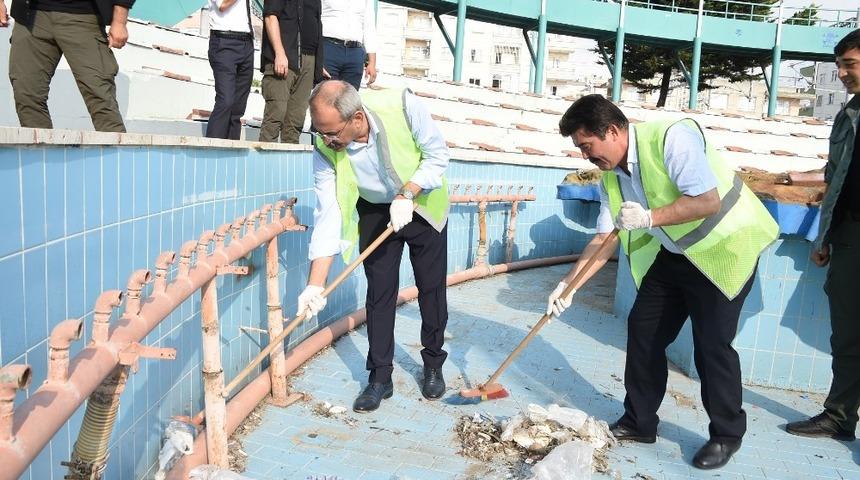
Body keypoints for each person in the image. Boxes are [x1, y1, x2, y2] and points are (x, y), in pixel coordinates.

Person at [549, 94, 777, 469]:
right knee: (643, 330)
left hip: (724, 250)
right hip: (677, 255)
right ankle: (640, 421)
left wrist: (650, 218)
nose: (586, 157)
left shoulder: (671, 138)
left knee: (712, 346)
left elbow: (707, 201)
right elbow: (603, 240)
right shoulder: (612, 177)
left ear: (612, 130)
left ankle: (725, 435)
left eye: (587, 146)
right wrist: (567, 287)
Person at [298, 80, 449, 413]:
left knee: (431, 287)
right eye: (320, 133)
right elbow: (329, 213)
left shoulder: (402, 105)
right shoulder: (324, 148)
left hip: (422, 201)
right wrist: (315, 285)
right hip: (374, 209)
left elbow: (438, 156)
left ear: (357, 118)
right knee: (379, 294)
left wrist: (408, 193)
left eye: (331, 133)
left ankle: (434, 363)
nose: (326, 140)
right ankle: (380, 377)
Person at [786, 29, 860, 442]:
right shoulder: (847, 116)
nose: (842, 72)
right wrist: (824, 237)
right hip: (850, 236)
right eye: (841, 65)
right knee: (848, 332)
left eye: (849, 64)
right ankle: (840, 416)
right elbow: (835, 178)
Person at [1, 0, 132, 132]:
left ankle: (115, 151)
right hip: (30, 15)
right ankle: (41, 151)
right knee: (26, 93)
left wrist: (120, 21)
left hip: (83, 16)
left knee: (100, 95)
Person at [259, 0, 324, 143]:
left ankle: (287, 164)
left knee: (295, 123)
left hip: (308, 60)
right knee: (274, 119)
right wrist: (279, 52)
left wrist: (318, 63)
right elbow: (270, 16)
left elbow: (316, 24)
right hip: (284, 56)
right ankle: (265, 164)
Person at [205, 0, 254, 140]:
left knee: (238, 106)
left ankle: (231, 152)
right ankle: (212, 150)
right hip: (224, 40)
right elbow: (223, 5)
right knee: (226, 100)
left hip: (246, 41)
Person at [320, 0, 377, 90]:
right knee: (326, 96)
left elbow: (369, 27)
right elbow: (313, 18)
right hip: (329, 49)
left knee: (349, 100)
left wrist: (372, 62)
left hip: (355, 53)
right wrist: (317, 58)